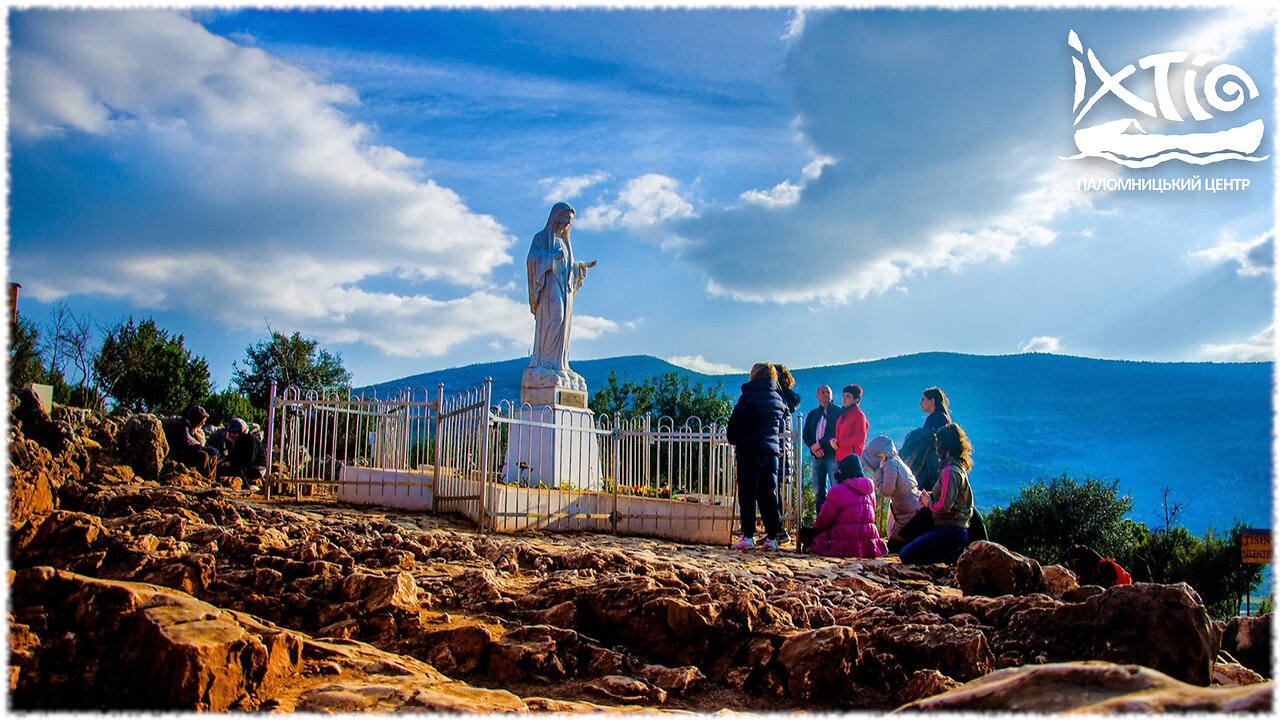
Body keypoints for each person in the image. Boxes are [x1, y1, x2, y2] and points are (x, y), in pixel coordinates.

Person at [527, 202, 594, 384]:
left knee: (564, 323)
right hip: (550, 285)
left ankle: (559, 364)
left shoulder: (565, 242)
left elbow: (567, 266)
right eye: (566, 218)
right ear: (556, 217)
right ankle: (544, 361)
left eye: (570, 221)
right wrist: (551, 257)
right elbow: (532, 260)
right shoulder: (542, 238)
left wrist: (579, 267)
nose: (568, 223)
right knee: (556, 317)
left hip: (565, 287)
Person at [726, 363, 787, 550]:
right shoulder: (778, 399)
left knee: (747, 494)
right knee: (768, 494)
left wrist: (734, 438)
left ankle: (748, 535)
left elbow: (735, 424)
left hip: (749, 450)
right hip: (771, 452)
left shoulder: (748, 397)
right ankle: (772, 537)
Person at [900, 423, 974, 565]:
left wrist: (929, 503)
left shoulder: (948, 471)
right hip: (957, 530)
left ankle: (949, 556)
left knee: (906, 554)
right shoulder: (957, 468)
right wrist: (930, 495)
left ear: (943, 446)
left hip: (950, 529)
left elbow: (945, 506)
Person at [800, 455, 887, 559]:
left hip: (843, 543)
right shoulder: (870, 491)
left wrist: (813, 532)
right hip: (869, 543)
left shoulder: (838, 491)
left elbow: (824, 521)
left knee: (804, 533)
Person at [861, 435, 923, 553]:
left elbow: (886, 491)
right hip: (912, 509)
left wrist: (879, 471)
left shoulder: (889, 465)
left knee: (893, 547)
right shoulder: (897, 461)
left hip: (907, 514)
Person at [902, 387, 952, 492]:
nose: (920, 403)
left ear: (932, 401)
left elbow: (927, 437)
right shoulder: (935, 418)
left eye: (923, 399)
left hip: (932, 464)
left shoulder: (940, 419)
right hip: (929, 463)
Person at [802, 385, 842, 516]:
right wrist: (813, 448)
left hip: (832, 455)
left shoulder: (838, 412)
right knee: (818, 491)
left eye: (828, 392)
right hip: (816, 457)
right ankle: (821, 519)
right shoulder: (813, 414)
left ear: (832, 395)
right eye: (822, 392)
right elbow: (806, 434)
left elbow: (836, 432)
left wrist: (820, 445)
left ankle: (838, 519)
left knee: (836, 487)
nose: (825, 394)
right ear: (817, 396)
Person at [211, 418, 268, 488]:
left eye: (237, 432)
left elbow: (249, 460)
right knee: (220, 470)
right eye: (232, 432)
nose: (235, 434)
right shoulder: (231, 440)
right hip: (241, 465)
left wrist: (232, 463)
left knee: (235, 474)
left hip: (256, 468)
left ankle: (249, 483)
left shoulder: (250, 440)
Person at [163, 405, 216, 473]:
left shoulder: (192, 430)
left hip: (186, 452)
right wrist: (201, 447)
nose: (203, 424)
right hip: (179, 455)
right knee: (203, 456)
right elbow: (186, 445)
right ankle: (200, 475)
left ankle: (209, 477)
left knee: (213, 456)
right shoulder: (183, 427)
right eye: (202, 421)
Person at [830, 384, 868, 462]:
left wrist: (839, 443)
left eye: (848, 396)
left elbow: (859, 438)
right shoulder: (842, 416)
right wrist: (832, 441)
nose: (844, 398)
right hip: (840, 457)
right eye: (843, 396)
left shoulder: (859, 416)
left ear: (856, 399)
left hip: (853, 458)